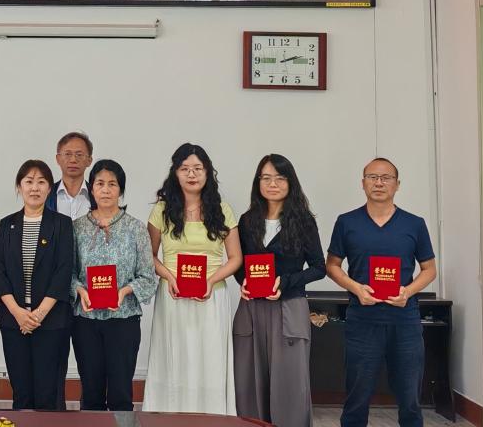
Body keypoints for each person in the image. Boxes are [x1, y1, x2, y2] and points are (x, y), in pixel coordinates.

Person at [326, 158, 437, 427]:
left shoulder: (414, 224)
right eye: (372, 177)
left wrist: (407, 292)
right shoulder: (347, 222)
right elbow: (332, 265)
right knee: (356, 397)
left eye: (386, 177)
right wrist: (356, 288)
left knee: (410, 398)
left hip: (405, 321)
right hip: (362, 320)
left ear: (397, 184)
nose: (379, 183)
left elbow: (429, 270)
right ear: (362, 183)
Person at [142, 142, 242, 414]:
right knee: (174, 356)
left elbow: (236, 258)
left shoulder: (222, 209)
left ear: (208, 172)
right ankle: (169, 415)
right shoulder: (162, 210)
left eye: (198, 168)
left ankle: (210, 415)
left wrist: (211, 280)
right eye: (184, 168)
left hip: (212, 295)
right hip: (173, 294)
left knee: (209, 357)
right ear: (175, 173)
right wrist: (169, 276)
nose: (191, 174)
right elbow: (149, 256)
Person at [233, 154, 325, 427]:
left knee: (289, 385)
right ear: (258, 182)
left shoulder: (303, 221)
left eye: (280, 178)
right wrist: (243, 281)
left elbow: (319, 268)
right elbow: (239, 262)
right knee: (249, 381)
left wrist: (285, 282)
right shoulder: (247, 220)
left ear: (290, 182)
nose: (272, 184)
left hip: (289, 308)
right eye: (266, 178)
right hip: (251, 309)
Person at [70, 160, 157, 411]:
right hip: (86, 320)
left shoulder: (136, 228)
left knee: (121, 394)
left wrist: (125, 291)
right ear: (91, 189)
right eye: (100, 183)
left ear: (121, 190)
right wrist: (79, 290)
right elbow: (68, 273)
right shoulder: (76, 228)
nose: (106, 190)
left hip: (123, 319)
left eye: (112, 184)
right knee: (91, 393)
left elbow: (147, 276)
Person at [0, 160, 74, 411]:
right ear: (19, 187)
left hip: (50, 321)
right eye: (29, 181)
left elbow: (63, 271)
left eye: (41, 182)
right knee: (21, 391)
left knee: (48, 392)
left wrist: (38, 314)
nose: (34, 188)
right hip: (13, 320)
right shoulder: (7, 224)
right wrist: (18, 313)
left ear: (50, 188)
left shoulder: (62, 224)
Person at [45, 130, 94, 409]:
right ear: (57, 158)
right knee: (53, 366)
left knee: (92, 367)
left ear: (89, 160)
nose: (73, 159)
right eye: (67, 154)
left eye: (79, 154)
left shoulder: (99, 195)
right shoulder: (45, 195)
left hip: (92, 292)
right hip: (55, 293)